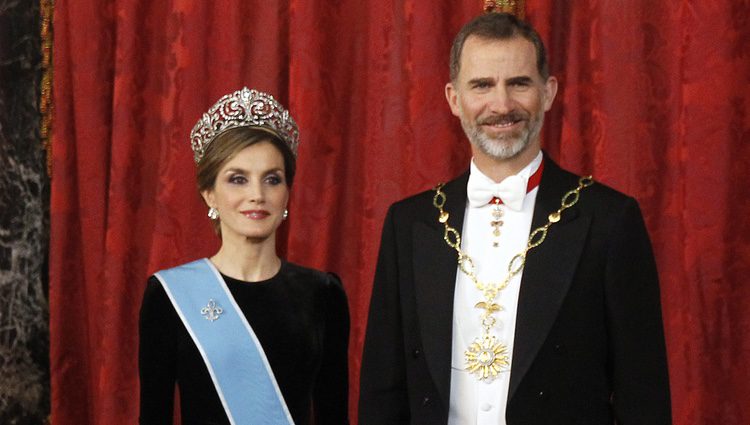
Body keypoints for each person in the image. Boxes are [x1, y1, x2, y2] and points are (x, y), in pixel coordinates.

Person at [359, 12, 671, 425]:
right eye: (482, 85)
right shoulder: (409, 223)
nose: (501, 105)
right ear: (455, 99)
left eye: (519, 83)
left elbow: (643, 396)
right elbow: (383, 393)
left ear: (548, 92)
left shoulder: (609, 221)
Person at [139, 88, 350, 425]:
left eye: (272, 179)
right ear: (210, 194)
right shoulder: (170, 296)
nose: (257, 195)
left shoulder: (323, 293)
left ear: (287, 193)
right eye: (238, 179)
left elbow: (334, 417)